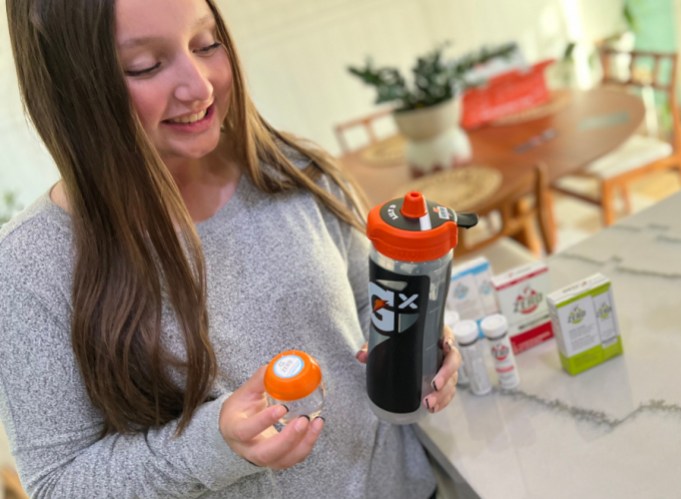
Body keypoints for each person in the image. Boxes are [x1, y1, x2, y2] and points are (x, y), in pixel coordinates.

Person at [0, 0, 461, 497]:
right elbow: (58, 485)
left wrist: (423, 347)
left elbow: (367, 321)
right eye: (146, 66)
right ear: (72, 88)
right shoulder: (29, 268)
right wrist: (215, 446)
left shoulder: (295, 171)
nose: (199, 87)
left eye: (207, 43)